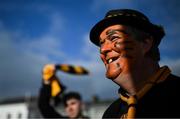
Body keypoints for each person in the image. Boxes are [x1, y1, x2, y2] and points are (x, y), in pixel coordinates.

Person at [89, 9, 180, 118]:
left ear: (145, 43)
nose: (103, 49)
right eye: (101, 44)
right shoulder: (111, 113)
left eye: (114, 38)